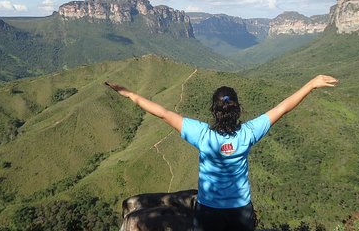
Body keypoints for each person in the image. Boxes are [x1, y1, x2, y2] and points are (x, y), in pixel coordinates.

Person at [105, 75, 338, 231]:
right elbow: (283, 107)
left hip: (208, 211)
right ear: (236, 108)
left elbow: (163, 112)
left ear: (214, 110)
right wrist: (311, 84)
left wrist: (130, 94)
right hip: (240, 210)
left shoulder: (202, 134)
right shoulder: (248, 133)